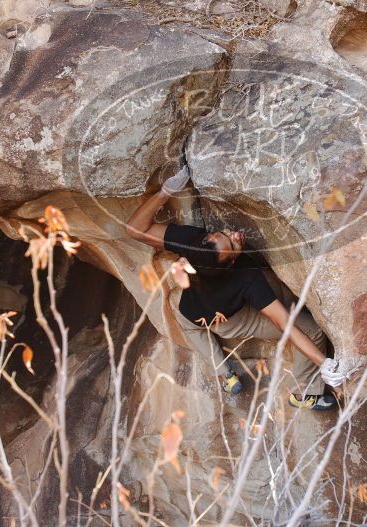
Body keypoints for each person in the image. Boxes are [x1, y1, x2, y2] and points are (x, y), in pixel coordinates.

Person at [125, 163, 353, 410]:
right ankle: (304, 394)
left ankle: (226, 374)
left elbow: (133, 229)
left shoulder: (193, 244)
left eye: (224, 233)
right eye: (233, 246)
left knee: (193, 328)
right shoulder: (248, 279)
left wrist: (166, 191)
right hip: (230, 322)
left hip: (190, 311)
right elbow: (285, 325)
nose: (234, 235)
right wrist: (323, 363)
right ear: (231, 263)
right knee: (312, 330)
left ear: (208, 238)